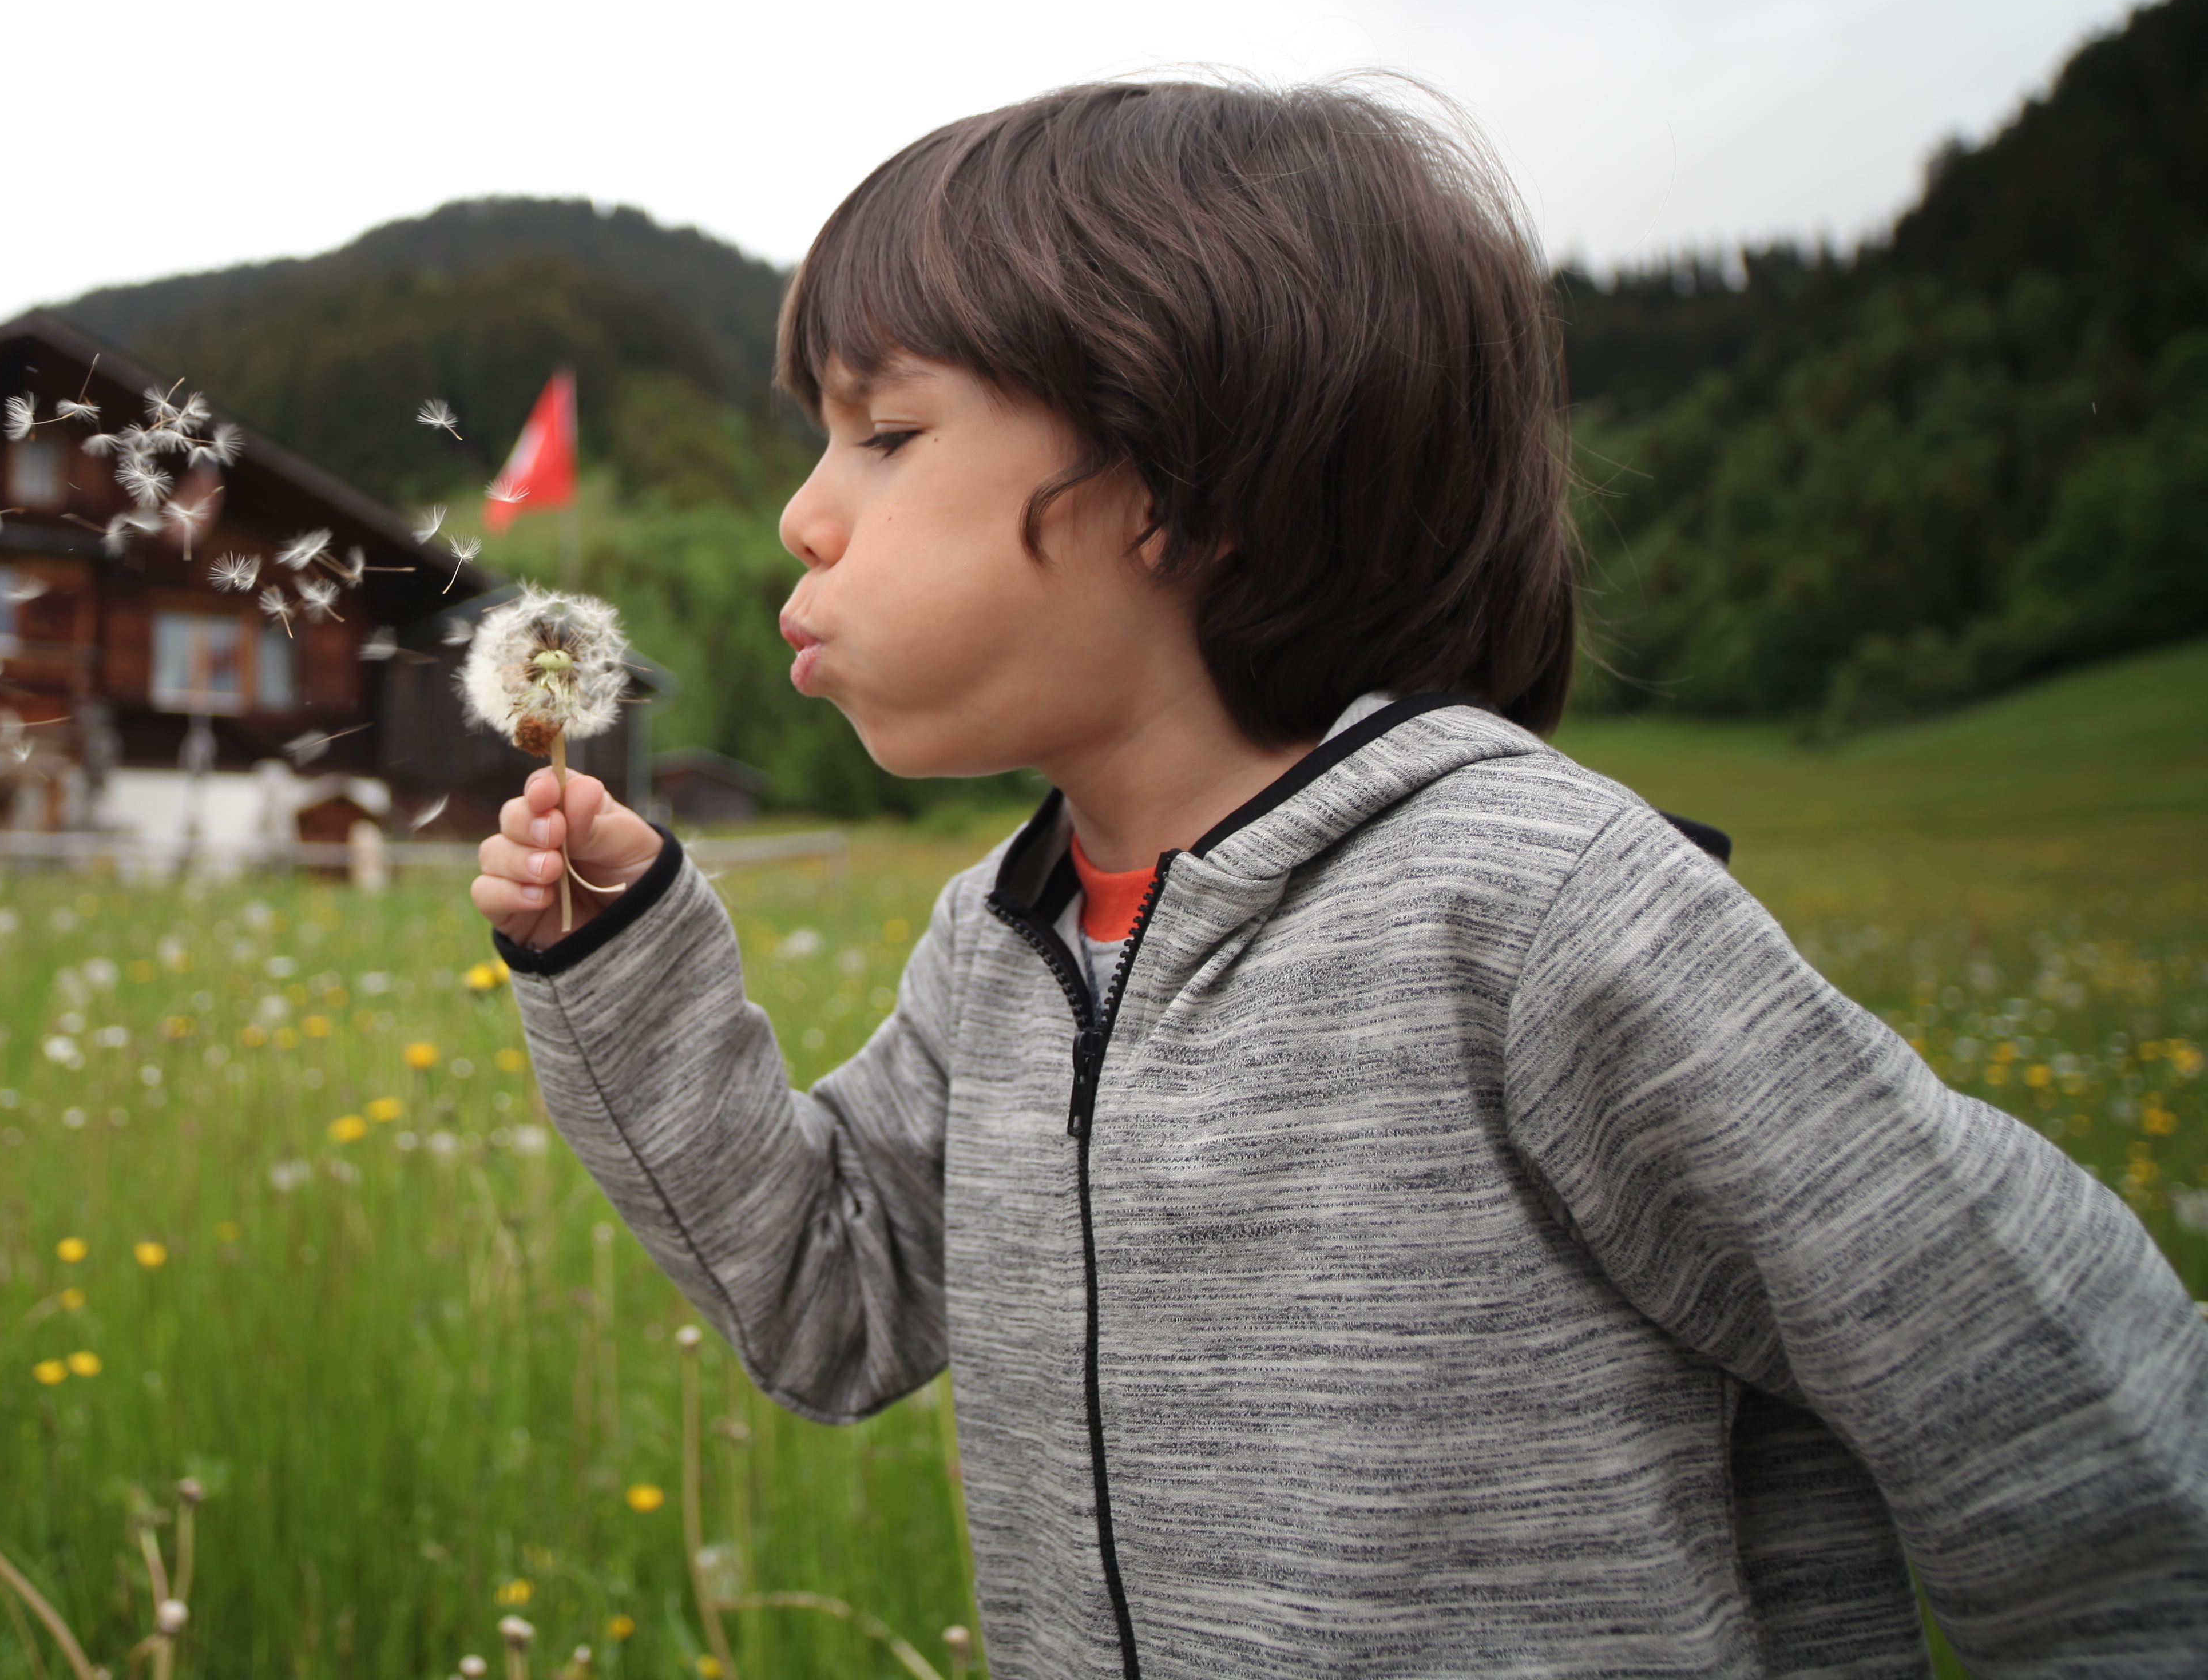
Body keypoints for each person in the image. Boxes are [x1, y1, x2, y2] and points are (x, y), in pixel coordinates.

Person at [469, 81, 2208, 1678]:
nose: (805, 515)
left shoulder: (1532, 910)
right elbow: (826, 1302)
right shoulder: (1003, 944)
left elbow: (2058, 1403)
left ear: (1175, 477)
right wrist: (620, 958)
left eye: (885, 436)